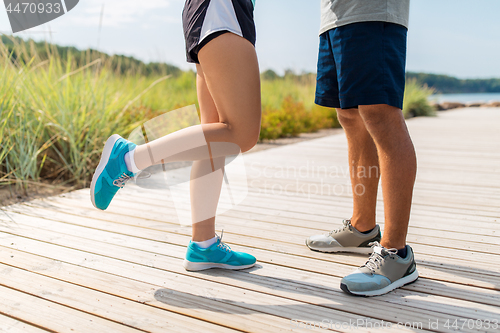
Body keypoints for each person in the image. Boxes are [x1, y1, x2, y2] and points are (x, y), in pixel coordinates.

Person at [90, 0, 260, 272]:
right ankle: (129, 159)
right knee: (240, 133)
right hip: (222, 11)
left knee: (216, 136)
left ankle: (204, 244)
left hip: (214, 13)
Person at [306, 0, 419, 296]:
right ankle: (362, 227)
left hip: (371, 10)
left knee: (379, 111)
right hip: (334, 15)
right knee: (349, 113)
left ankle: (396, 253)